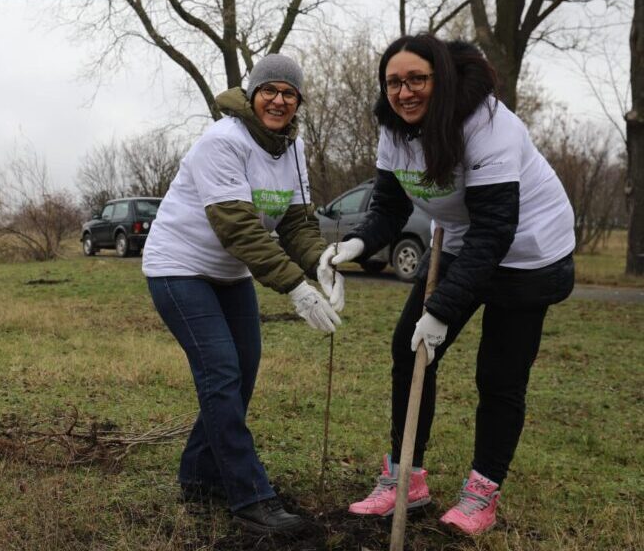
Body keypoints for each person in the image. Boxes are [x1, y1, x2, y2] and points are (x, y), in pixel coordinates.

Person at [317, 35, 575, 535]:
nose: (405, 92)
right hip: (462, 239)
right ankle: (405, 478)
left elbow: (496, 229)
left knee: (498, 375)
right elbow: (389, 210)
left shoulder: (487, 124)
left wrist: (442, 309)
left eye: (417, 79)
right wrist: (354, 245)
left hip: (529, 252)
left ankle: (482, 493)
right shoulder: (393, 130)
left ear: (442, 78)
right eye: (394, 82)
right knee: (408, 348)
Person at [142, 54, 343, 536]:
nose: (278, 100)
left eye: (289, 93)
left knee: (241, 374)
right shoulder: (223, 141)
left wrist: (320, 261)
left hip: (229, 275)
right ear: (252, 95)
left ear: (298, 103)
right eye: (269, 90)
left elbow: (295, 221)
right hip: (179, 267)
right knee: (222, 373)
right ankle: (251, 499)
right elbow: (238, 228)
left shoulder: (291, 149)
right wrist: (295, 286)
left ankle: (198, 477)